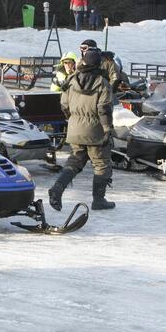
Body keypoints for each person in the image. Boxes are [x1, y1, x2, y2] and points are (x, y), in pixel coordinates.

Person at [48, 49, 116, 211]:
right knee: (101, 164)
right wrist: (107, 129)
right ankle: (99, 200)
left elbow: (64, 104)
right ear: (98, 64)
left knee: (74, 162)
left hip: (75, 128)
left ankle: (57, 188)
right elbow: (104, 108)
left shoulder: (72, 80)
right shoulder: (102, 82)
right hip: (96, 130)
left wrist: (72, 118)